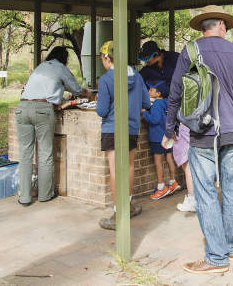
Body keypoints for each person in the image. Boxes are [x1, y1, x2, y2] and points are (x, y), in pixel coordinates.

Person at [165, 5, 233, 274]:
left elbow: (175, 93)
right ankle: (231, 247)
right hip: (232, 132)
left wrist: (170, 128)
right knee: (231, 189)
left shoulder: (191, 51)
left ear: (202, 27)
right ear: (222, 26)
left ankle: (216, 257)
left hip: (202, 132)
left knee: (205, 193)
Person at [16, 46, 87, 206]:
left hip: (22, 108)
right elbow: (75, 89)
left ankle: (25, 197)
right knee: (45, 152)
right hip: (42, 109)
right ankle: (45, 194)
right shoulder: (60, 68)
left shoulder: (40, 67)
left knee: (25, 154)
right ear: (64, 58)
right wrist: (87, 93)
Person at [97, 40, 151, 230]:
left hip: (112, 128)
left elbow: (102, 110)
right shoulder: (136, 76)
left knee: (114, 170)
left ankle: (118, 212)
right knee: (128, 167)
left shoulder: (105, 80)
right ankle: (127, 206)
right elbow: (146, 102)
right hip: (131, 128)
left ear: (106, 58)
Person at [142, 80, 180, 200]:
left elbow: (154, 119)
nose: (149, 91)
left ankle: (161, 187)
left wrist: (144, 113)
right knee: (169, 158)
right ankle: (173, 181)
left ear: (158, 93)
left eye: (151, 89)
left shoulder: (157, 104)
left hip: (157, 137)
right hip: (167, 135)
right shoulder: (166, 102)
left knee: (158, 161)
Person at [172, 123, 196, 212]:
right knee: (190, 171)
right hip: (186, 131)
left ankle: (192, 201)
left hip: (183, 132)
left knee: (188, 171)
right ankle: (194, 199)